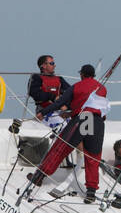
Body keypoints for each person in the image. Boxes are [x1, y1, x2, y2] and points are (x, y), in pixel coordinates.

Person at [26, 64, 109, 202]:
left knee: (61, 147)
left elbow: (60, 103)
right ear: (93, 75)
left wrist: (43, 112)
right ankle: (91, 192)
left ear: (82, 74)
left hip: (82, 119)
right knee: (93, 157)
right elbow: (97, 106)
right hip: (97, 122)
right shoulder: (102, 88)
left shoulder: (77, 86)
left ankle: (39, 177)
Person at [27, 55, 72, 129]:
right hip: (44, 112)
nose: (54, 65)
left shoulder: (59, 79)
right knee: (63, 127)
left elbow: (70, 92)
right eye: (52, 63)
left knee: (76, 126)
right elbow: (35, 93)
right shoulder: (36, 78)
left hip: (60, 111)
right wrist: (53, 97)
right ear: (44, 66)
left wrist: (67, 106)